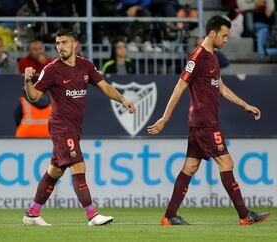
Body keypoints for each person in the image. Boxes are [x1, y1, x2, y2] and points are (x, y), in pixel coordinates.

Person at [147, 16, 270, 226]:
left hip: (203, 122)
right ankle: (244, 215)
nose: (226, 39)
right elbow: (179, 87)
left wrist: (245, 105)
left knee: (190, 167)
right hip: (205, 123)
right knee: (226, 162)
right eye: (224, 35)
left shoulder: (213, 57)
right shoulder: (197, 57)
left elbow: (220, 87)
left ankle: (169, 216)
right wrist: (165, 118)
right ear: (212, 33)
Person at [23, 29, 135, 226]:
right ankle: (92, 215)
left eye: (64, 42)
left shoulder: (85, 66)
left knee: (55, 171)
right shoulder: (51, 70)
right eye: (57, 43)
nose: (60, 47)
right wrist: (27, 80)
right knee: (78, 165)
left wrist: (122, 100)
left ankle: (32, 213)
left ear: (74, 44)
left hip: (75, 127)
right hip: (60, 126)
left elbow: (104, 86)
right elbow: (34, 97)